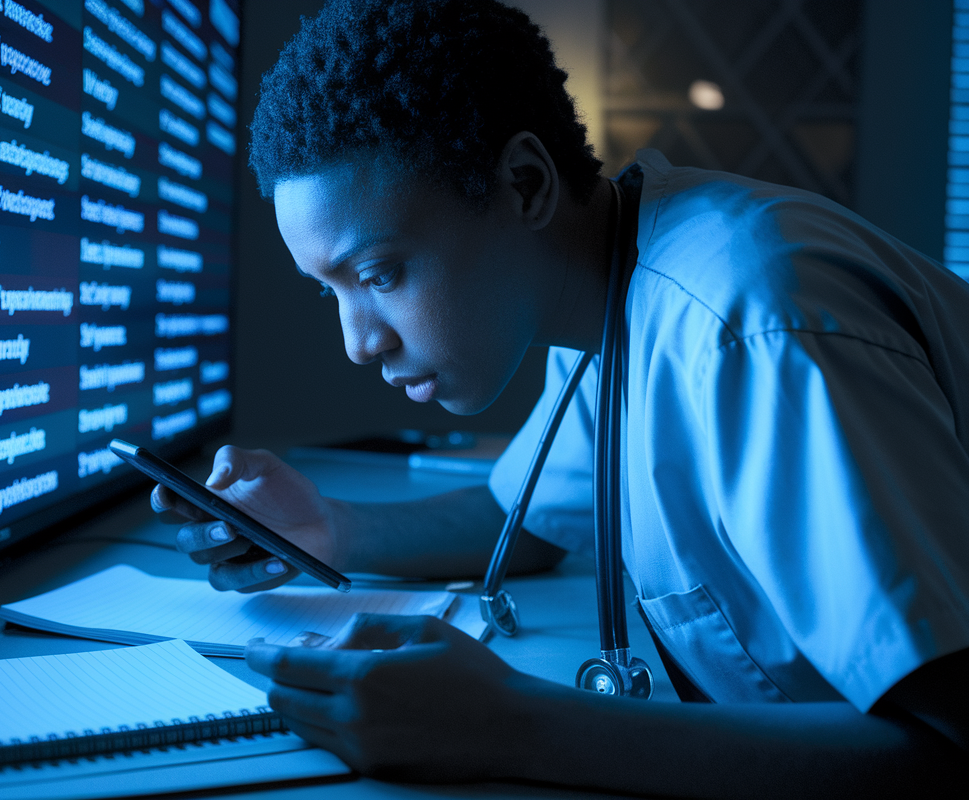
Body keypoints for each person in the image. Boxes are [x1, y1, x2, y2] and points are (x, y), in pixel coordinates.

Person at [151, 0, 969, 794]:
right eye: (329, 293)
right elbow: (531, 520)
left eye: (378, 274)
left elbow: (952, 744)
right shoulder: (606, 290)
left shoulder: (748, 329)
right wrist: (330, 528)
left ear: (524, 184)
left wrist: (514, 725)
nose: (359, 341)